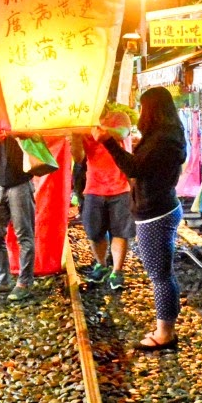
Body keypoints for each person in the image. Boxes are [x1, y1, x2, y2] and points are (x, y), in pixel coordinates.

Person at [95, 86, 187, 353]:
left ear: (152, 110)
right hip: (159, 208)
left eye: (142, 106)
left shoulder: (163, 140)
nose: (138, 112)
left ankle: (165, 333)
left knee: (160, 275)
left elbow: (134, 167)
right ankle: (166, 326)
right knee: (163, 273)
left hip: (156, 213)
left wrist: (109, 143)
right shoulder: (167, 135)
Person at [71, 108, 133, 291]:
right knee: (94, 231)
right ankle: (101, 264)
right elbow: (79, 157)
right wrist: (75, 137)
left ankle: (117, 271)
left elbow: (123, 132)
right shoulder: (81, 122)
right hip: (94, 186)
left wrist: (97, 129)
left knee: (120, 231)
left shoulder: (119, 116)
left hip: (120, 186)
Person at [0, 135, 38, 302]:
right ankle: (3, 280)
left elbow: (38, 138)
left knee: (24, 236)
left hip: (20, 181)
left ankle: (24, 283)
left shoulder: (23, 115)